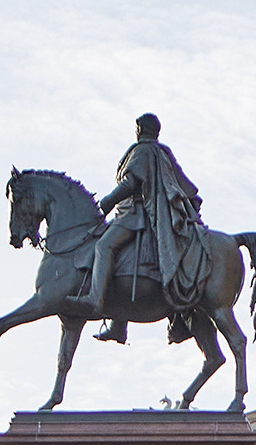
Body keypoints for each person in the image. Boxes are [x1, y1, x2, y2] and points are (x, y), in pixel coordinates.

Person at [85, 111, 209, 342]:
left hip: (135, 214)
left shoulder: (143, 150)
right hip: (158, 218)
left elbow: (132, 182)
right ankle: (118, 326)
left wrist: (106, 203)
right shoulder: (163, 153)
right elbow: (186, 186)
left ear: (139, 130)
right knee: (123, 260)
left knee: (104, 247)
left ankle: (95, 299)